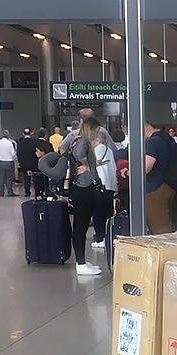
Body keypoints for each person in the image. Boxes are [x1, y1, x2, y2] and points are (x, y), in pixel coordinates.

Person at [59, 122, 103, 276]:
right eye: (96, 131)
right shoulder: (83, 141)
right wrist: (87, 165)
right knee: (81, 227)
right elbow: (79, 154)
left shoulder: (74, 140)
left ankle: (82, 260)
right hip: (84, 188)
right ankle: (81, 263)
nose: (97, 134)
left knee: (81, 226)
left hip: (79, 187)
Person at [84, 116, 118, 250]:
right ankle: (109, 236)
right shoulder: (109, 150)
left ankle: (100, 238)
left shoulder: (97, 150)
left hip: (100, 186)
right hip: (110, 185)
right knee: (108, 212)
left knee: (98, 213)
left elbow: (93, 166)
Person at [143, 119, 176, 234]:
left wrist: (128, 173)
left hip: (155, 188)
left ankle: (165, 252)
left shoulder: (153, 142)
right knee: (164, 224)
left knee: (159, 229)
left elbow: (146, 167)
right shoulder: (165, 139)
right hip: (168, 186)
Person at [0, 130, 18, 197]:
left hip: (1, 162)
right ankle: (10, 192)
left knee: (1, 177)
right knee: (9, 178)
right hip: (9, 162)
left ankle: (1, 192)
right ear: (7, 135)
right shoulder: (9, 143)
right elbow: (13, 153)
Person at [16, 128, 39, 196]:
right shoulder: (34, 141)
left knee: (26, 178)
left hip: (24, 163)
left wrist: (20, 162)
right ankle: (37, 192)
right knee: (35, 178)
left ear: (23, 134)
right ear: (30, 133)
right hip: (33, 162)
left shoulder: (20, 143)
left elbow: (18, 153)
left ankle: (27, 192)